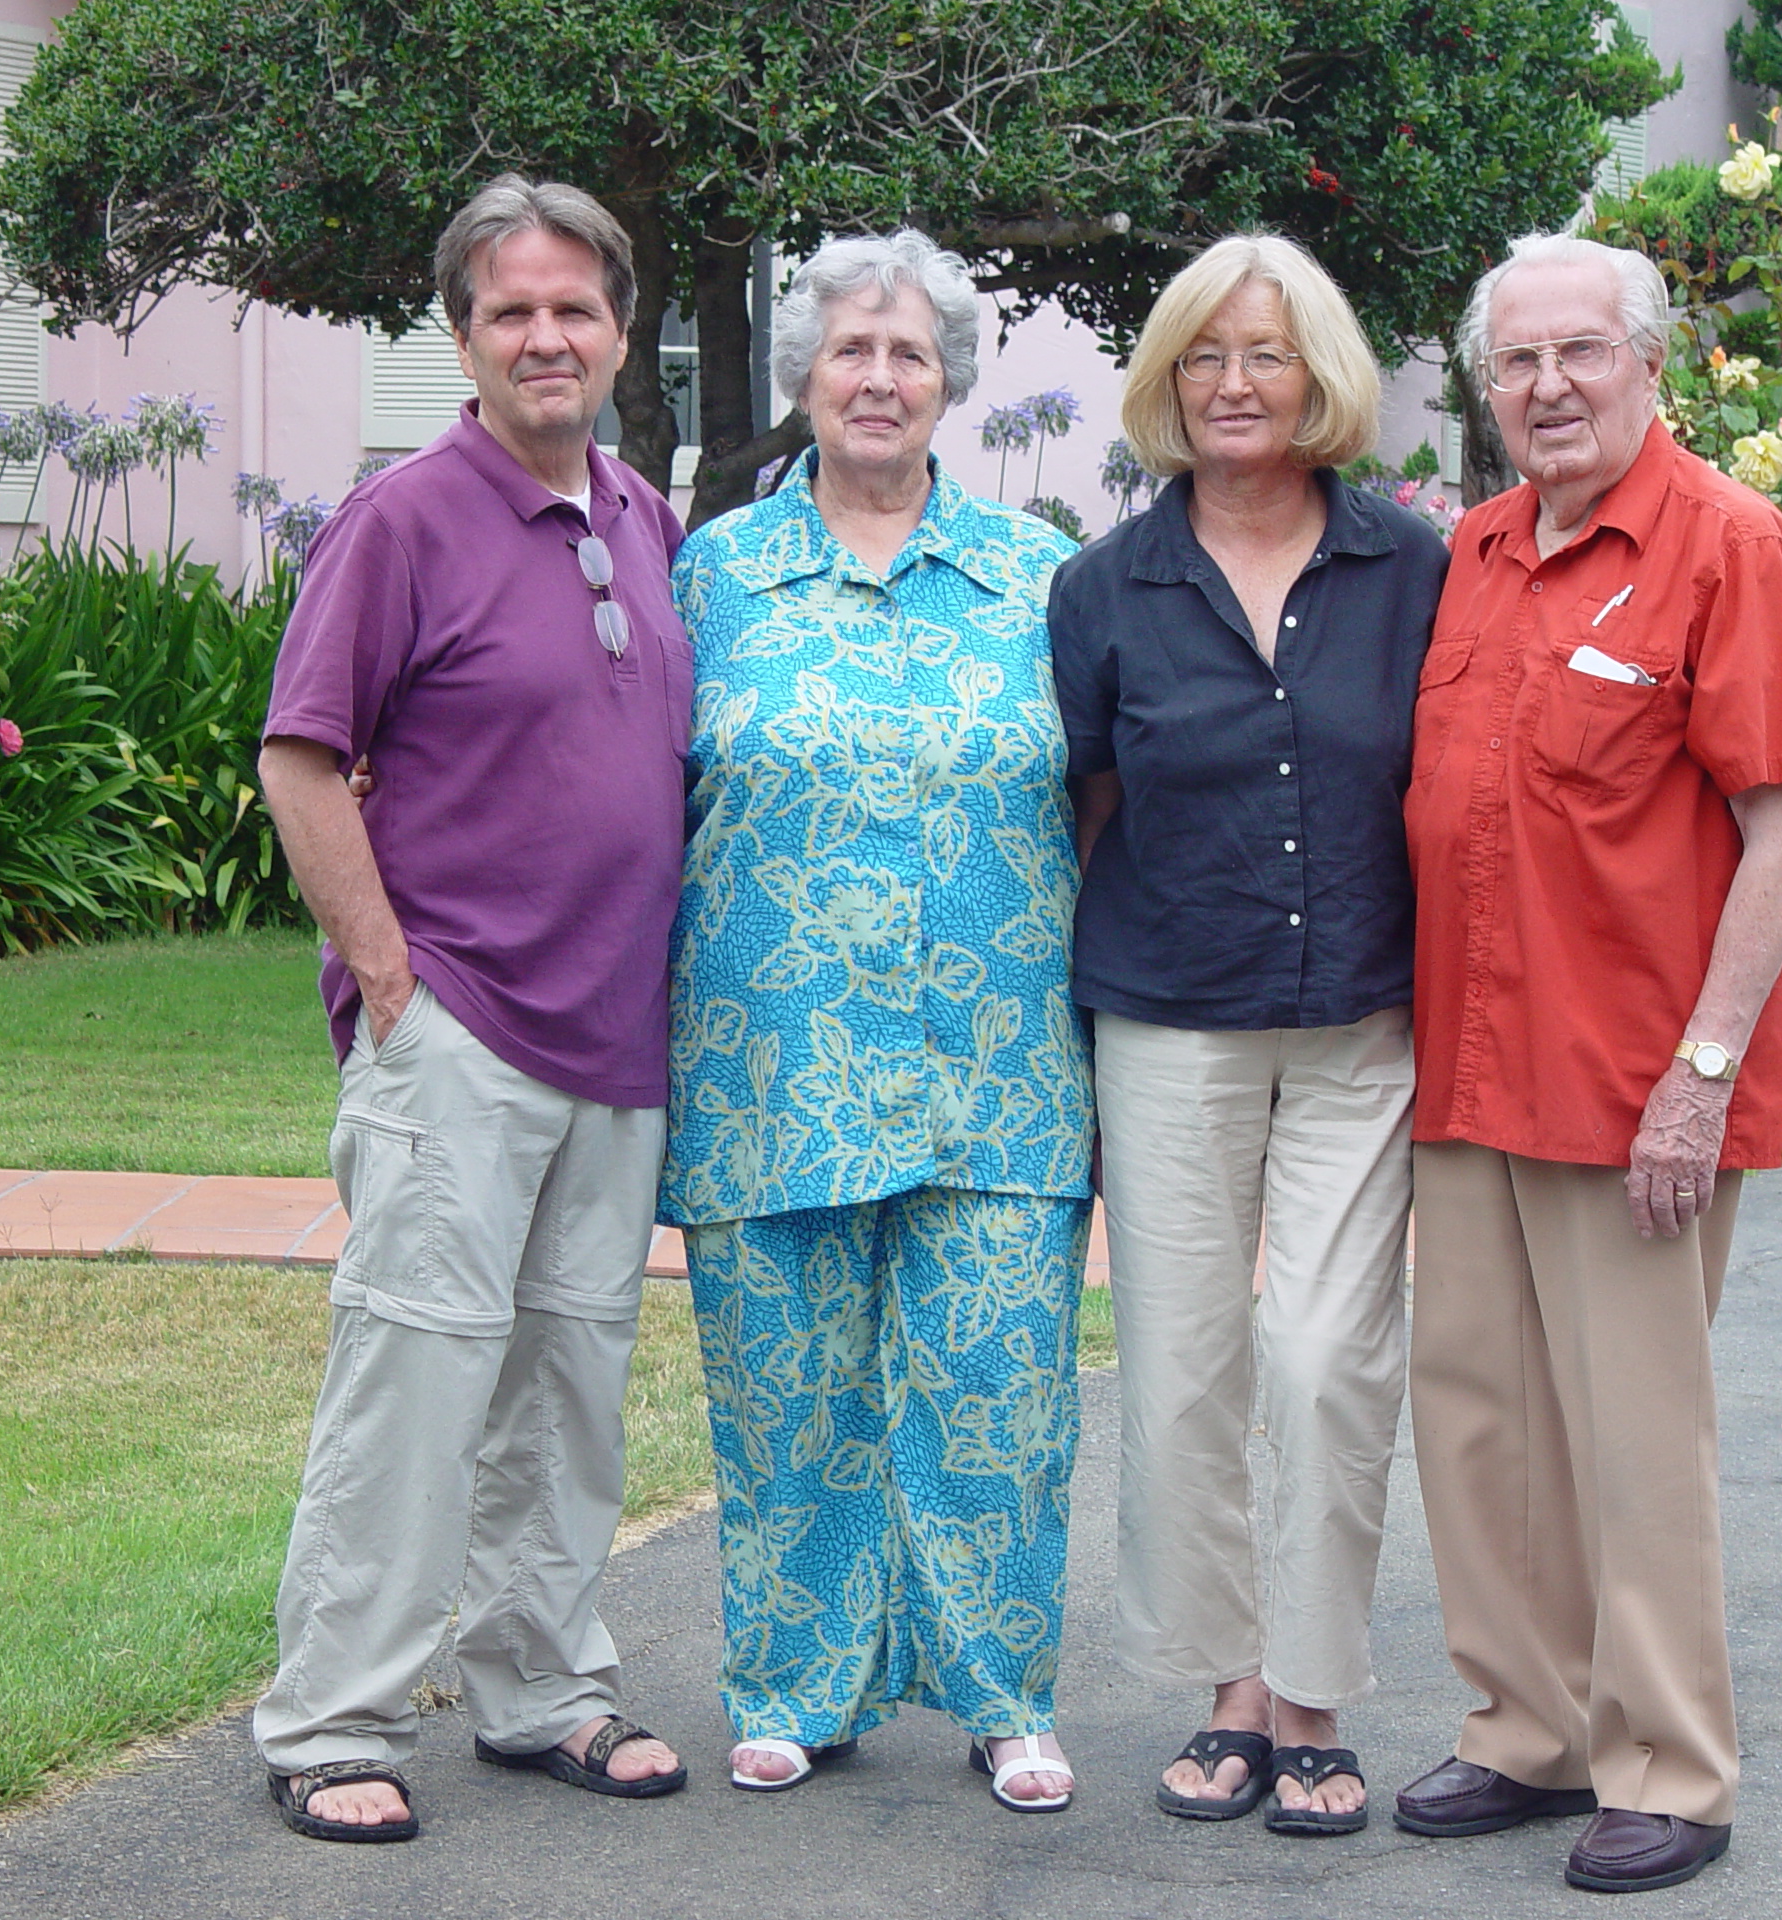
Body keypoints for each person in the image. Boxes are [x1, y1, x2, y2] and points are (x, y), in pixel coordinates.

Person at [251, 175, 692, 1842]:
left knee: (570, 1388)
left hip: (614, 1044)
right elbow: (303, 758)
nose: (546, 337)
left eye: (574, 308)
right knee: (415, 1382)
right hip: (461, 1033)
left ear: (621, 331)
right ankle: (332, 1720)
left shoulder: (640, 517)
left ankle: (543, 1687)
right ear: (461, 336)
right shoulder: (405, 519)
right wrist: (386, 982)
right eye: (510, 310)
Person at [1389, 232, 1782, 1895]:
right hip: (1471, 1062)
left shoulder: (1730, 542)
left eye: (1581, 353)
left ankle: (1670, 1765)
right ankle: (1527, 1729)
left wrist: (1705, 1069)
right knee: (1483, 1419)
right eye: (1517, 362)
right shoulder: (1485, 549)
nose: (1548, 387)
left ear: (1650, 363)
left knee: (1636, 1437)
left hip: (1636, 1079)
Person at [658, 230, 1094, 1815]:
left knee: (999, 1388)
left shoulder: (1041, 577)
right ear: (804, 374)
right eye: (851, 350)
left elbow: (1102, 800)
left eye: (909, 354)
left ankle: (1004, 1695)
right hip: (773, 1059)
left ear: (952, 383)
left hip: (1002, 1069)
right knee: (787, 1391)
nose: (880, 378)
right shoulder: (713, 574)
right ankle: (792, 1680)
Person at [1048, 233, 1448, 1838]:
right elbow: (1087, 802)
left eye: (1265, 353)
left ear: (1322, 376)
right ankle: (1228, 1697)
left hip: (1364, 1016)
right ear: (1165, 380)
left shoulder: (1415, 568)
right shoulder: (1104, 588)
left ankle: (1317, 1697)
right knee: (1189, 1367)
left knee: (1329, 1358)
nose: (1233, 383)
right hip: (1170, 1023)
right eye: (1203, 355)